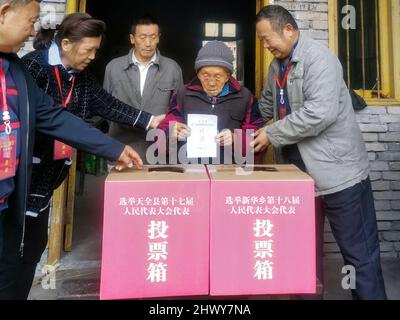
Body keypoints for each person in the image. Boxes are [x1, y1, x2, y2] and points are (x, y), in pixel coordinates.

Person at [0, 0, 143, 300]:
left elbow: (54, 115)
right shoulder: (33, 66)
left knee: (16, 267)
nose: (33, 31)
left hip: (14, 196)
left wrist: (114, 148)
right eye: (30, 20)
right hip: (27, 181)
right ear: (4, 12)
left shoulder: (14, 70)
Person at [251, 5, 387, 300]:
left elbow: (319, 114)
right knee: (302, 260)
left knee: (360, 258)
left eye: (266, 38)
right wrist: (234, 122)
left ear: (288, 29)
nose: (265, 46)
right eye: (261, 41)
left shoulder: (320, 59)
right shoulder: (277, 67)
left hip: (340, 178)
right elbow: (263, 108)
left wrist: (271, 134)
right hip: (298, 180)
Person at [158, 40, 264, 164]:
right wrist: (170, 132)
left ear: (228, 75)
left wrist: (236, 139)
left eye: (218, 76)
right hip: (189, 169)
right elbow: (159, 139)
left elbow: (258, 140)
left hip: (229, 172)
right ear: (198, 74)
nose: (212, 82)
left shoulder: (245, 97)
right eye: (205, 75)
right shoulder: (183, 94)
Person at [104, 14, 183, 163]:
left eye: (153, 37)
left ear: (158, 38)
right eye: (142, 37)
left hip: (159, 153)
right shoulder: (113, 68)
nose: (148, 43)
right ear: (132, 39)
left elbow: (178, 110)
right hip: (121, 150)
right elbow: (105, 108)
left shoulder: (172, 69)